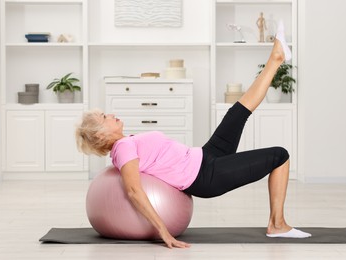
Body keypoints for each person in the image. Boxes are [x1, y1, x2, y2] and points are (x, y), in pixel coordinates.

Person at [75, 21, 309, 249]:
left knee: (238, 111)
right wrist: (163, 232)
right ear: (101, 135)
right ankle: (277, 224)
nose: (112, 114)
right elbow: (134, 192)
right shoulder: (123, 149)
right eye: (105, 117)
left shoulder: (127, 142)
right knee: (280, 155)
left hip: (205, 155)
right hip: (206, 175)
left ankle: (275, 59)